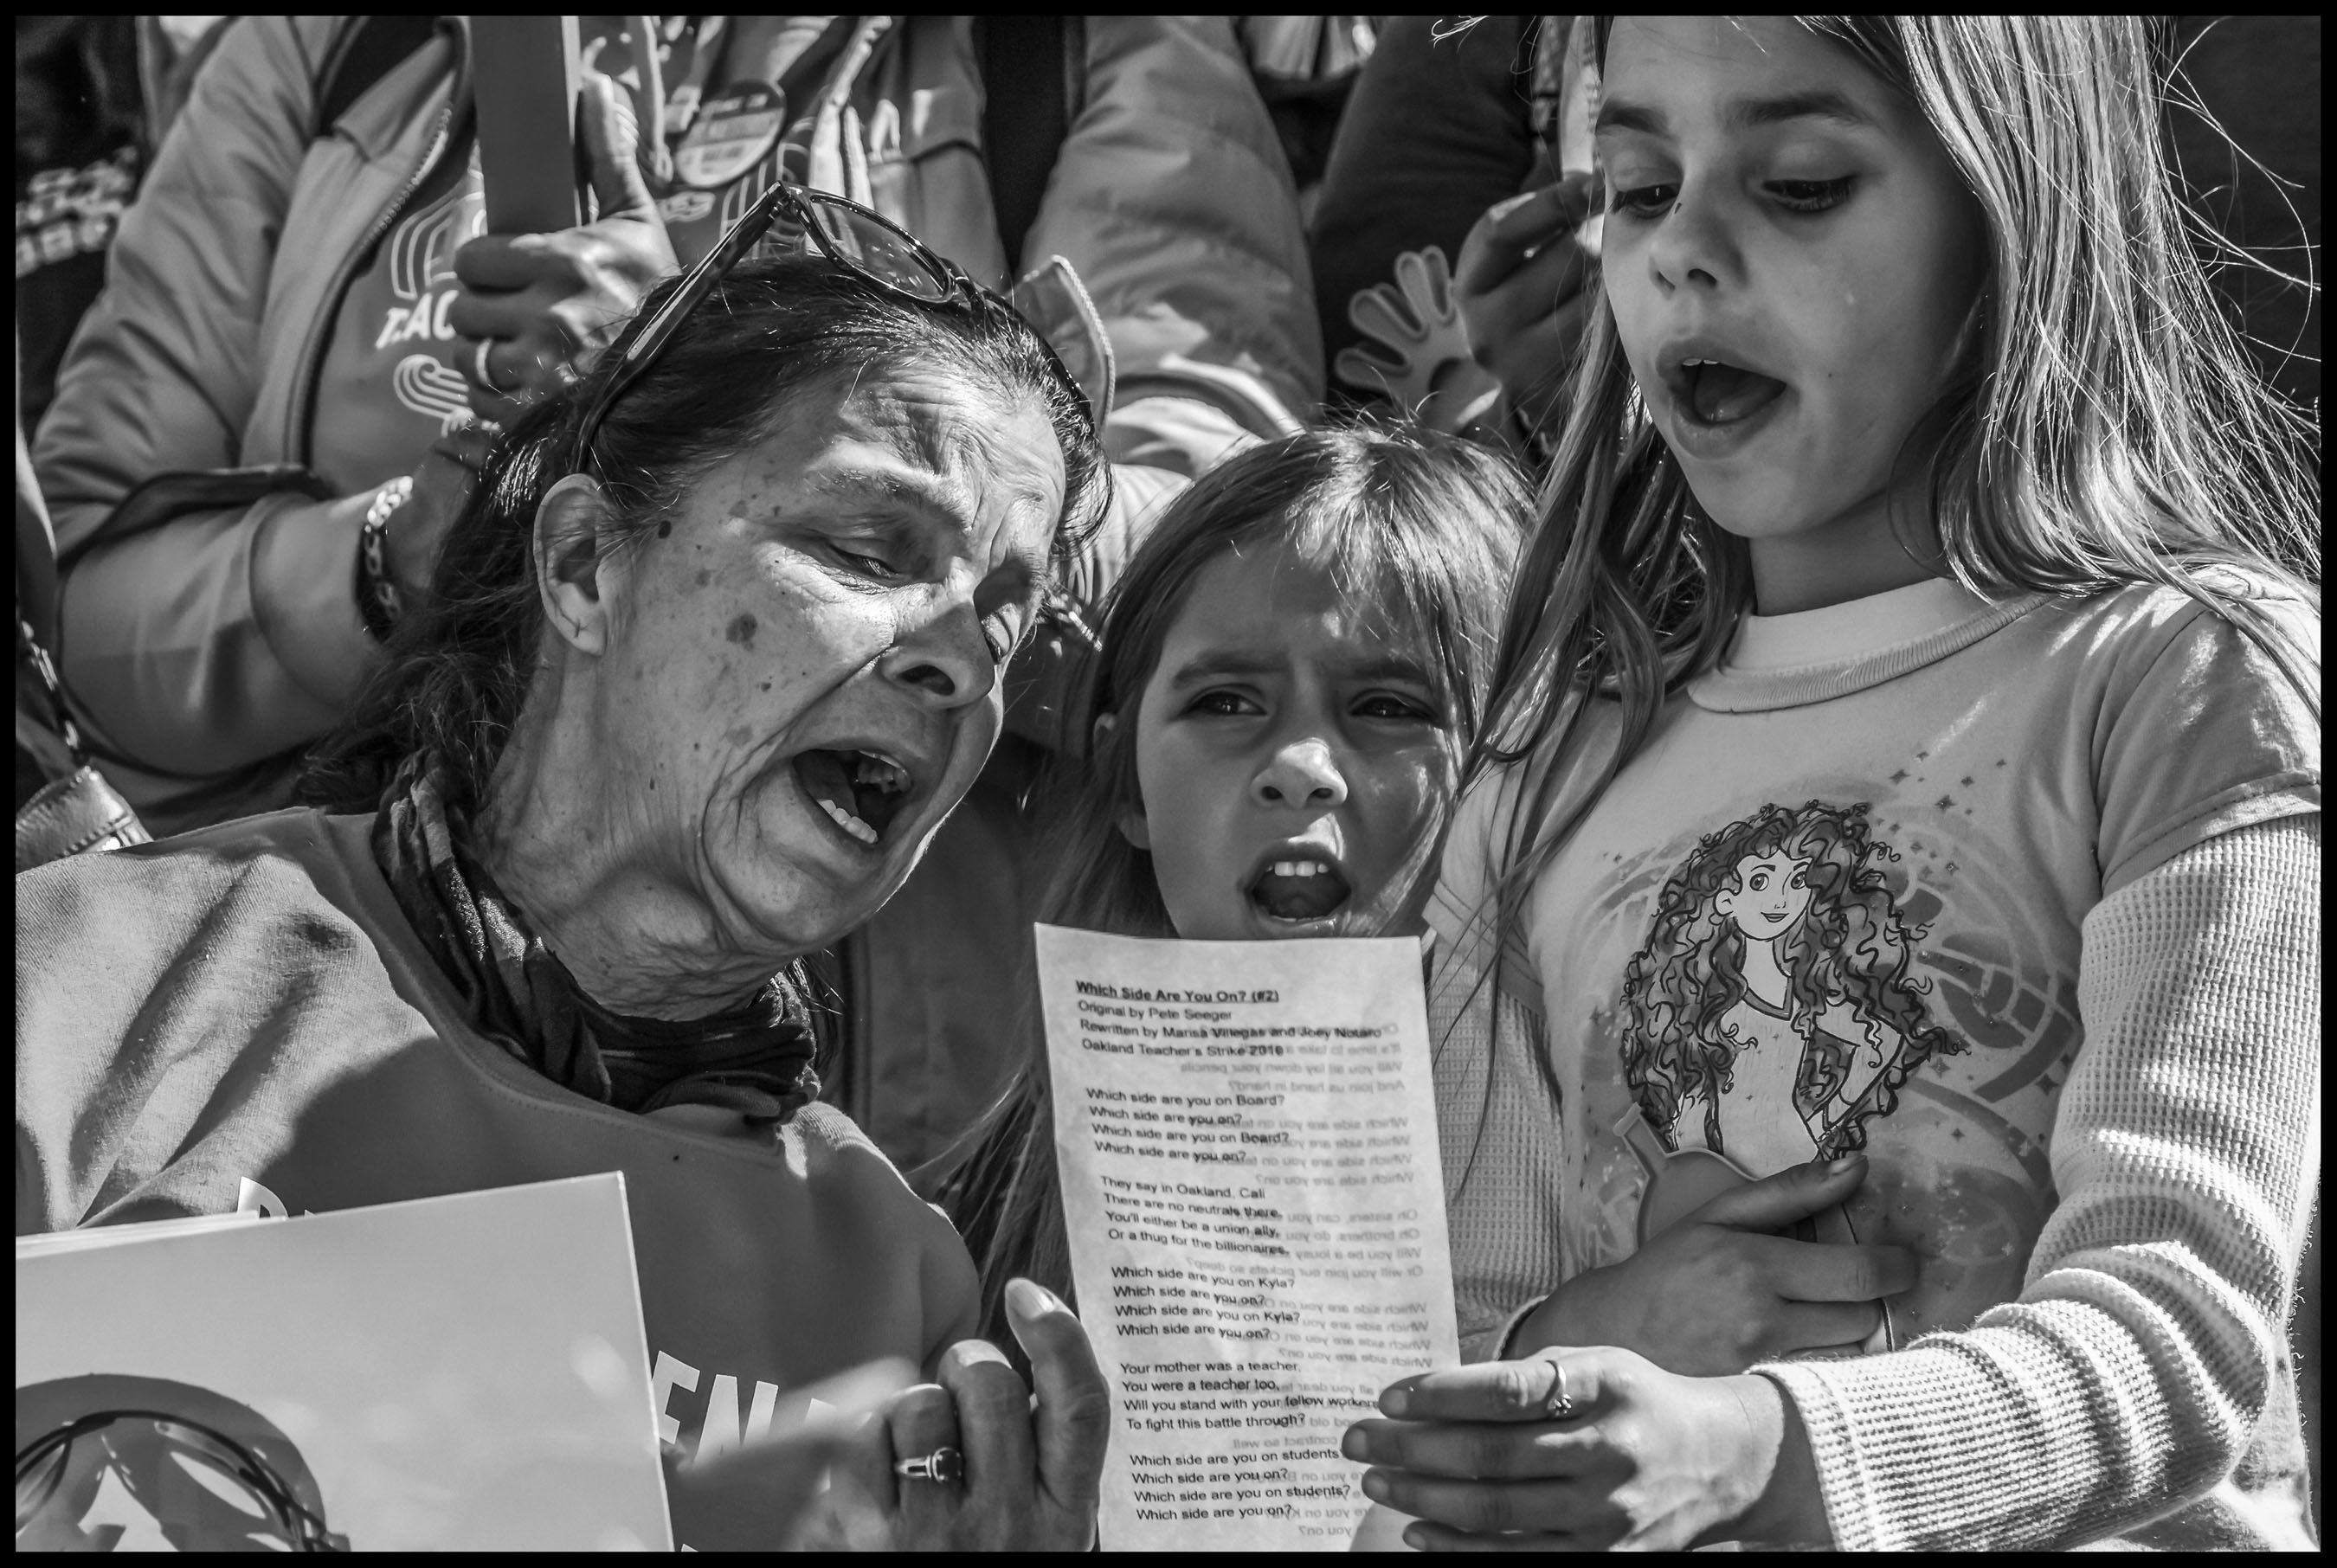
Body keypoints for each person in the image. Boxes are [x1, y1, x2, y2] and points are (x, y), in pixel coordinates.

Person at [1346, 15, 2321, 1552]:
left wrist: (1752, 1451)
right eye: (1640, 183)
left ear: (2014, 210)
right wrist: (1597, 1333)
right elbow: (1444, 1352)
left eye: (1799, 184)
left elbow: (2180, 1337)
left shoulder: (2186, 677)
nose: (1684, 253)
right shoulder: (1547, 764)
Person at [31, 13, 1320, 1173]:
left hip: (861, 1168)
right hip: (300, 1083)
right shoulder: (323, 45)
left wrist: (693, 380)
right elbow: (77, 614)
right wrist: (398, 558)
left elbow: (1240, 614)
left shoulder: (1090, 46)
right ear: (577, 560)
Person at [19, 242, 1114, 1552]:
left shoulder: (903, 1304)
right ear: (588, 564)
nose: (955, 665)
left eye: (1001, 632)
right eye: (872, 548)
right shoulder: (93, 975)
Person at [941, 424, 1527, 1343]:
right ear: (1127, 784)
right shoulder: (981, 1213)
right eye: (1226, 703)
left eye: (1389, 707)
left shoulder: (1607, 1151)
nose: (1298, 768)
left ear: (1513, 778)